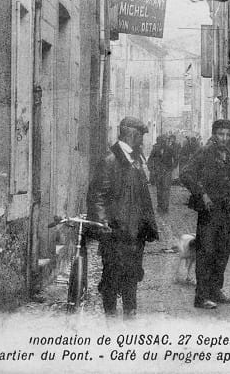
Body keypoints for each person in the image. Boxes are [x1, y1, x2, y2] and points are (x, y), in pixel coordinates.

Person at [87, 116, 159, 318]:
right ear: (131, 135)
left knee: (132, 273)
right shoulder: (110, 160)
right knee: (112, 275)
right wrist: (102, 223)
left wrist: (146, 225)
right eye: (140, 136)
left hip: (134, 230)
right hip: (116, 231)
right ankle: (110, 315)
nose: (142, 141)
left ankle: (130, 312)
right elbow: (97, 195)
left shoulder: (135, 159)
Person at [180, 119, 230, 309]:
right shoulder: (205, 151)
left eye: (227, 134)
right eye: (220, 134)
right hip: (209, 211)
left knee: (223, 251)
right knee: (206, 251)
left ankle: (216, 291)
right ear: (214, 134)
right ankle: (201, 296)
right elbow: (186, 174)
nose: (224, 138)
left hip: (227, 209)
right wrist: (202, 194)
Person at [148, 134, 177, 212]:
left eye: (165, 141)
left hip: (167, 172)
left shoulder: (170, 149)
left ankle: (165, 206)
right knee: (159, 189)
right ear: (159, 141)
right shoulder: (155, 149)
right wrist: (151, 169)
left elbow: (176, 158)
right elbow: (150, 159)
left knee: (166, 189)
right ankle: (160, 205)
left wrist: (172, 168)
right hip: (158, 172)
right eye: (162, 141)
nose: (163, 143)